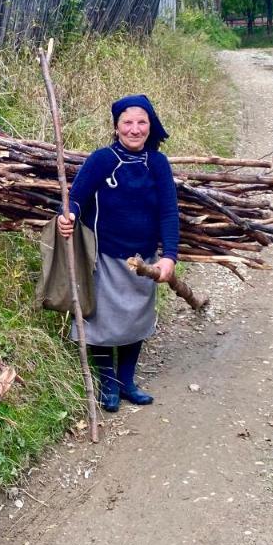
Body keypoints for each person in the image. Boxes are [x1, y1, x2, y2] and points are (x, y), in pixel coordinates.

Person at [56, 95, 179, 412]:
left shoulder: (158, 164)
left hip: (144, 260)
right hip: (106, 256)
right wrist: (66, 216)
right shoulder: (102, 160)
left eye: (142, 122)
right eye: (128, 122)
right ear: (116, 127)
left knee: (134, 321)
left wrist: (169, 256)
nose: (135, 129)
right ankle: (108, 383)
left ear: (150, 127)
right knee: (102, 323)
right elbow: (76, 199)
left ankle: (127, 382)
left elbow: (168, 212)